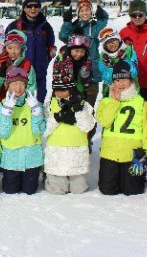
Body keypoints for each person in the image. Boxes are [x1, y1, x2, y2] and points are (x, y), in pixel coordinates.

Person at [96, 61, 147, 196]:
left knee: (134, 191)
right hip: (110, 153)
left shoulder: (141, 102)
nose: (121, 83)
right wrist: (114, 101)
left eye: (124, 79)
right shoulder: (106, 101)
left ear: (131, 80)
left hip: (133, 154)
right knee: (107, 190)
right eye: (117, 80)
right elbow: (105, 121)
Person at [43, 60, 96, 195]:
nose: (60, 94)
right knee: (57, 190)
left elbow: (87, 126)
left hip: (76, 151)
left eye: (63, 90)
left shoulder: (83, 104)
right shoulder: (49, 105)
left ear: (71, 89)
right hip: (57, 151)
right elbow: (44, 130)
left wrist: (78, 111)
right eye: (57, 90)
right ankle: (49, 177)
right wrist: (57, 118)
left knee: (79, 190)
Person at [0, 67, 45, 195]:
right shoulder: (1, 107)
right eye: (14, 83)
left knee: (30, 190)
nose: (19, 87)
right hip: (12, 157)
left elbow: (39, 131)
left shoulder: (34, 103)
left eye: (22, 83)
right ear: (7, 86)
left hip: (31, 156)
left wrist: (37, 113)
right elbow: (3, 133)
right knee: (10, 190)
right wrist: (6, 113)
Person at [59, 0, 109, 108]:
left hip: (92, 74)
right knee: (75, 106)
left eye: (87, 10)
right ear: (78, 13)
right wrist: (67, 22)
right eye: (82, 10)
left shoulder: (95, 27)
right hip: (75, 73)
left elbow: (104, 21)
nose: (85, 12)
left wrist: (102, 14)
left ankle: (90, 124)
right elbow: (63, 37)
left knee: (89, 108)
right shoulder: (73, 26)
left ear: (91, 12)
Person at [6, 0, 57, 103]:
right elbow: (6, 47)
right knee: (18, 101)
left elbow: (50, 47)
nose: (33, 9)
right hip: (19, 72)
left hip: (39, 72)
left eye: (36, 6)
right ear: (24, 8)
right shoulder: (14, 26)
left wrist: (44, 62)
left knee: (38, 101)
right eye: (29, 6)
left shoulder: (46, 27)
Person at [119, 0, 147, 104]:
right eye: (134, 15)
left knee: (146, 113)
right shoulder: (123, 33)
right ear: (130, 16)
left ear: (145, 15)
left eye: (140, 14)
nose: (137, 18)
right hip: (128, 82)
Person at [0, 30, 36, 105]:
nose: (13, 52)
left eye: (17, 48)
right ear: (5, 48)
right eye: (10, 48)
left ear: (22, 49)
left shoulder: (26, 65)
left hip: (19, 105)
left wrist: (18, 101)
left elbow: (31, 88)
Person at [98, 27, 139, 97]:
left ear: (119, 40)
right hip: (112, 93)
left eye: (114, 41)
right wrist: (109, 67)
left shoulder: (129, 51)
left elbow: (134, 73)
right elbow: (107, 79)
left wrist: (125, 60)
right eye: (108, 43)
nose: (112, 45)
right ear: (104, 45)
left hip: (130, 92)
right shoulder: (103, 57)